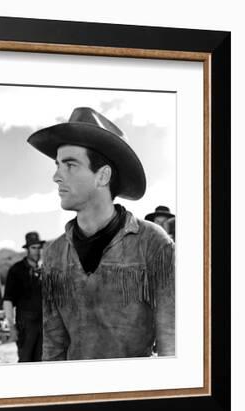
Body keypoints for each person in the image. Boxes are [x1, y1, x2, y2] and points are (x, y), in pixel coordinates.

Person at [27, 107, 175, 360]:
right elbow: (53, 344)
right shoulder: (53, 254)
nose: (56, 176)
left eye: (70, 165)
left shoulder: (152, 243)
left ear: (102, 175)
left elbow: (171, 343)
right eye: (57, 165)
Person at [3, 232, 45, 362]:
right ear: (27, 249)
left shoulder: (44, 269)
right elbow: (8, 300)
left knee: (41, 361)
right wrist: (11, 327)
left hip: (43, 324)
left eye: (39, 248)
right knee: (26, 361)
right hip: (25, 326)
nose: (37, 251)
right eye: (33, 248)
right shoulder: (16, 270)